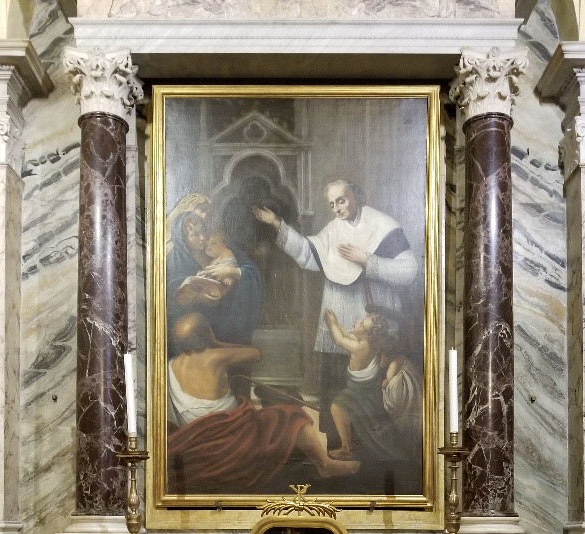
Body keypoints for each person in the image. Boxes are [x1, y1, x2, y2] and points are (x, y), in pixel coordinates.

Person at [252, 180, 418, 434]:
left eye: (341, 200)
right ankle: (336, 441)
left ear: (357, 196)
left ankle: (369, 448)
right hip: (338, 313)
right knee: (336, 383)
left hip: (372, 319)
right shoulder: (334, 229)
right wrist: (277, 224)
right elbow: (309, 254)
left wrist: (367, 260)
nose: (337, 208)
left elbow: (410, 270)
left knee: (371, 392)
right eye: (332, 204)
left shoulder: (382, 225)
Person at [166, 314, 360, 495]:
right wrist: (216, 343)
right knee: (291, 415)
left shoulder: (171, 364)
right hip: (230, 431)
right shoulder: (216, 356)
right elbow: (256, 354)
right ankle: (325, 464)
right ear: (207, 335)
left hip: (195, 435)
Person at [167, 201, 261, 346]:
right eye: (195, 235)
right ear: (183, 240)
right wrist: (196, 297)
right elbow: (168, 295)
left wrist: (232, 271)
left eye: (203, 231)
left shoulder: (218, 245)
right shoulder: (175, 259)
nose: (203, 238)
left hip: (229, 318)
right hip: (197, 326)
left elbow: (252, 272)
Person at [323, 307, 407, 462]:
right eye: (361, 321)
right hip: (365, 385)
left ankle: (346, 448)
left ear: (368, 334)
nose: (357, 322)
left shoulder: (360, 346)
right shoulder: (369, 343)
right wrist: (338, 324)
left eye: (361, 324)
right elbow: (348, 335)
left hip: (358, 388)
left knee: (336, 406)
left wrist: (332, 324)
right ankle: (347, 447)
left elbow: (340, 340)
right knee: (365, 416)